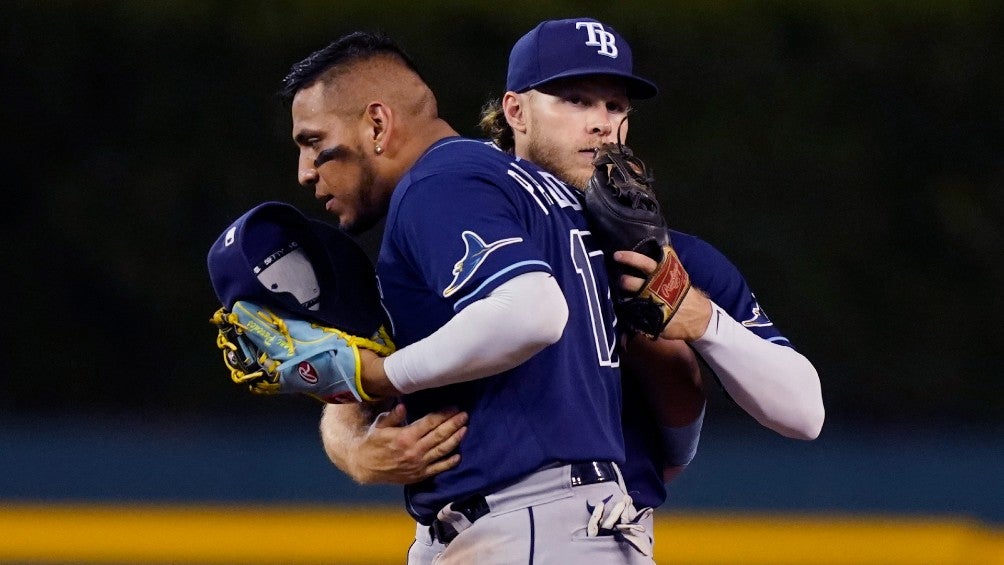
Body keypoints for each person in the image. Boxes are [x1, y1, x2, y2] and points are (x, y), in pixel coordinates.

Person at [281, 31, 655, 563]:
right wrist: (352, 442)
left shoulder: (441, 183)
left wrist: (381, 377)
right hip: (553, 517)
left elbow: (532, 312)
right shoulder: (508, 183)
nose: (305, 170)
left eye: (313, 140)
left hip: (530, 520)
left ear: (378, 125)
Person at [477, 17, 825, 513]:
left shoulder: (666, 259)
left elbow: (805, 414)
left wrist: (704, 322)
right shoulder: (468, 227)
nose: (600, 121)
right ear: (516, 111)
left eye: (615, 105)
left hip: (597, 529)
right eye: (576, 99)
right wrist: (355, 442)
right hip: (455, 530)